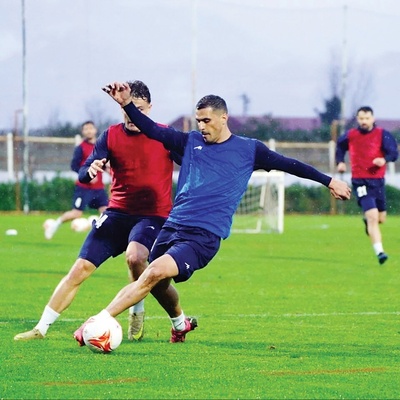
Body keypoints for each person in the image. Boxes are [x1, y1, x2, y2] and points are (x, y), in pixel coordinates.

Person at [71, 81, 351, 346]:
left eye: (206, 120)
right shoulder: (189, 141)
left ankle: (98, 321)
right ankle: (180, 324)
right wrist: (127, 105)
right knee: (157, 282)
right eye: (198, 121)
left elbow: (291, 165)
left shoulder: (249, 149)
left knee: (153, 272)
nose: (202, 126)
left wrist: (329, 181)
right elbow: (152, 129)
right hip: (172, 225)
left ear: (223, 118)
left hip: (203, 235)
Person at [14, 80, 181, 343]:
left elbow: (193, 162)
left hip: (153, 215)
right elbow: (84, 170)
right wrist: (89, 170)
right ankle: (40, 329)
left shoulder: (165, 135)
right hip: (117, 213)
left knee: (136, 257)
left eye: (138, 109)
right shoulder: (110, 135)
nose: (131, 115)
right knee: (79, 268)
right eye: (126, 109)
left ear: (150, 107)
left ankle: (141, 310)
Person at [336, 106, 398, 265]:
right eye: (361, 118)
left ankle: (368, 222)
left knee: (381, 218)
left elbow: (394, 153)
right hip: (360, 181)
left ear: (373, 118)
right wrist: (340, 161)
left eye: (367, 118)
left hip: (378, 182)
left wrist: (384, 159)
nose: (364, 121)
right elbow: (340, 146)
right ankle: (380, 252)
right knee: (372, 216)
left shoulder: (382, 134)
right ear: (357, 119)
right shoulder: (351, 135)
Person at [44, 120, 109, 240]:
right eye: (86, 129)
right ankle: (55, 224)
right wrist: (87, 176)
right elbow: (74, 166)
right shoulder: (80, 147)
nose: (89, 131)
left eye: (91, 128)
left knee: (106, 213)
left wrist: (109, 170)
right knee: (76, 213)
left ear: (95, 130)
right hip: (84, 188)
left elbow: (103, 164)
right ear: (83, 132)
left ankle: (102, 237)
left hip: (99, 188)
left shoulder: (99, 146)